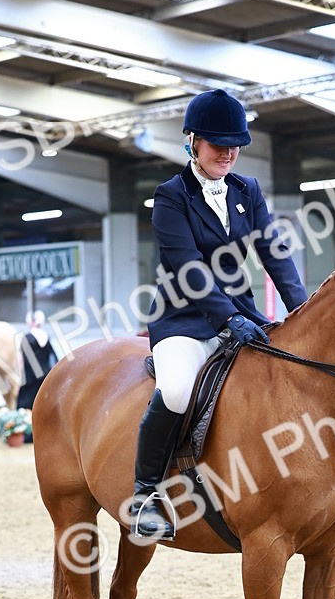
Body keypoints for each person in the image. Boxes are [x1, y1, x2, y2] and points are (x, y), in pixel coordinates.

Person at [130, 87, 308, 540]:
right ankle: (146, 494)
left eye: (235, 146)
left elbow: (275, 254)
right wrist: (227, 319)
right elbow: (187, 268)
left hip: (244, 314)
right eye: (217, 144)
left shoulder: (248, 190)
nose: (228, 153)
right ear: (193, 141)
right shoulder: (171, 196)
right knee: (175, 390)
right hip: (184, 319)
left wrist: (304, 311)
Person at [17, 309, 57, 411]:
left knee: (26, 405)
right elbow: (51, 357)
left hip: (30, 378)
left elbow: (21, 360)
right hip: (45, 376)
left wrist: (19, 378)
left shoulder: (27, 337)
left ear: (31, 321)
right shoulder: (46, 336)